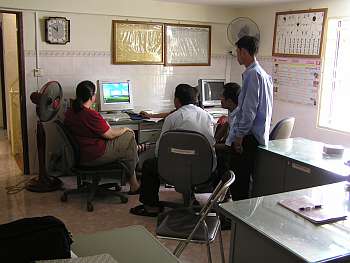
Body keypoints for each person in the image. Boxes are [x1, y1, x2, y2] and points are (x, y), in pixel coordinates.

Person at [130, 84, 215, 217]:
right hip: (202, 170)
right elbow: (211, 146)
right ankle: (213, 201)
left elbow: (160, 150)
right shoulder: (208, 117)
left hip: (173, 170)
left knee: (148, 165)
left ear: (177, 100)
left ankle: (151, 206)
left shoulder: (172, 118)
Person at [64, 80, 140, 193]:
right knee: (129, 136)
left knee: (128, 149)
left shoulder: (70, 112)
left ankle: (133, 182)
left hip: (80, 156)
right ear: (92, 96)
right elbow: (110, 134)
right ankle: (134, 182)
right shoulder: (90, 114)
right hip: (94, 155)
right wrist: (124, 128)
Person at [228, 36, 273, 200]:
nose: (237, 55)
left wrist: (239, 137)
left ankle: (236, 221)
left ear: (244, 52)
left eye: (238, 52)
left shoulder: (253, 75)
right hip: (257, 135)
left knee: (238, 180)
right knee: (244, 179)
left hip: (248, 137)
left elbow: (249, 111)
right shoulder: (262, 74)